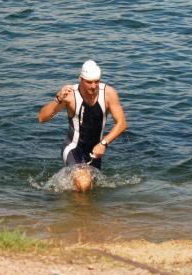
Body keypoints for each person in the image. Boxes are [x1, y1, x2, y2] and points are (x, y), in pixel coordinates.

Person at [38, 60, 127, 192]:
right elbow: (42, 118)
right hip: (73, 148)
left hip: (96, 151)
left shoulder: (109, 94)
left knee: (89, 189)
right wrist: (58, 99)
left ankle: (73, 205)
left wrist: (103, 144)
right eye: (89, 82)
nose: (93, 86)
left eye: (96, 81)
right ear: (81, 79)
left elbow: (122, 123)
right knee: (83, 182)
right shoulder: (69, 95)